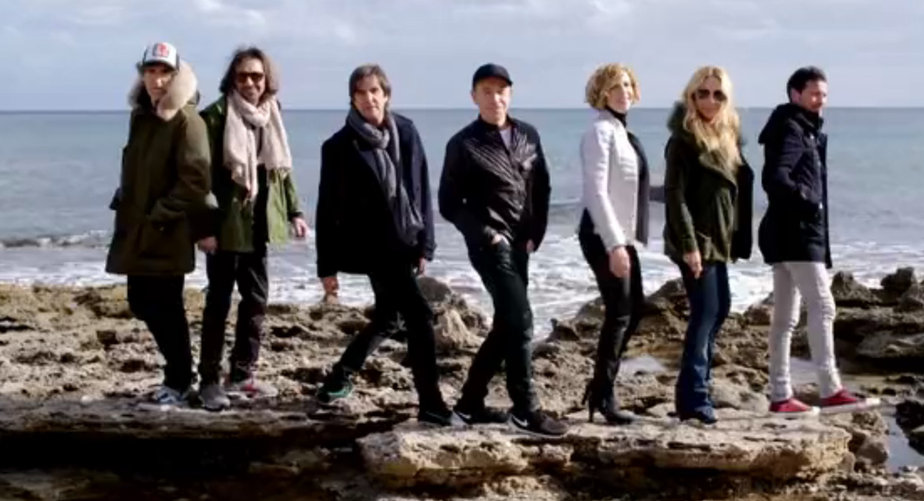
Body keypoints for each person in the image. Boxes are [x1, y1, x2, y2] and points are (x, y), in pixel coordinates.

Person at [313, 64, 453, 426]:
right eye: (360, 93)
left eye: (374, 91)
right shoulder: (339, 147)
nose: (368, 98)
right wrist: (326, 267)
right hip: (372, 247)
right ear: (352, 99)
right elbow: (326, 209)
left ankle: (338, 378)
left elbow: (421, 190)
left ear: (386, 95)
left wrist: (425, 244)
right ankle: (431, 403)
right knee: (419, 316)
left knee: (389, 318)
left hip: (405, 240)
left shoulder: (405, 131)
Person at [439, 63, 567, 437]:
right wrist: (488, 234)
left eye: (501, 91)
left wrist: (536, 232)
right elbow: (449, 203)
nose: (495, 98)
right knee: (522, 320)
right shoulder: (463, 144)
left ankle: (468, 405)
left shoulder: (528, 135)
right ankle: (525, 410)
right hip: (489, 246)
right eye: (487, 91)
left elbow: (541, 187)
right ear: (474, 97)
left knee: (507, 323)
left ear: (510, 94)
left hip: (521, 243)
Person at [196, 47, 309, 411]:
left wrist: (295, 211)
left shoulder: (272, 114)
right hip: (226, 224)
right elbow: (200, 178)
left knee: (257, 300)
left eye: (256, 76)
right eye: (243, 75)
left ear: (266, 80)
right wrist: (204, 228)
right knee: (218, 303)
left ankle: (242, 373)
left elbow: (281, 170)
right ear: (232, 79)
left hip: (260, 222)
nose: (250, 82)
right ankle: (209, 381)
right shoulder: (215, 116)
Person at [758, 66, 869, 415]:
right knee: (823, 307)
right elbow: (775, 177)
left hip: (786, 234)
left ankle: (780, 396)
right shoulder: (793, 129)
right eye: (814, 94)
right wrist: (809, 202)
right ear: (796, 94)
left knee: (785, 319)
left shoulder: (799, 128)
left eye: (824, 94)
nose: (821, 100)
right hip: (798, 235)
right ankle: (830, 389)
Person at [105, 42, 211, 404]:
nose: (157, 80)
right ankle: (179, 374)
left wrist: (159, 215)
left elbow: (196, 180)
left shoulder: (186, 120)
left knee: (166, 306)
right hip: (137, 229)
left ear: (176, 75)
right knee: (140, 302)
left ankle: (179, 379)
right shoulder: (141, 116)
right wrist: (124, 198)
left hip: (167, 231)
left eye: (165, 72)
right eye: (150, 71)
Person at [663, 66, 753, 424]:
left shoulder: (727, 137)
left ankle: (693, 390)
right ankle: (695, 398)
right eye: (703, 93)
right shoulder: (683, 140)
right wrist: (689, 246)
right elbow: (675, 197)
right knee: (705, 313)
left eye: (718, 94)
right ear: (691, 96)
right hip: (696, 241)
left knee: (719, 308)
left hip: (718, 240)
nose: (710, 101)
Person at [577, 63, 650, 425]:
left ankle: (600, 388)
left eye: (626, 85)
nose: (623, 92)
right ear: (601, 94)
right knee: (620, 312)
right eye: (614, 87)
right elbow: (596, 193)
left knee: (634, 309)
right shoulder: (600, 132)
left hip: (622, 235)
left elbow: (631, 190)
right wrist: (614, 246)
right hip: (602, 234)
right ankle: (603, 397)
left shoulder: (623, 133)